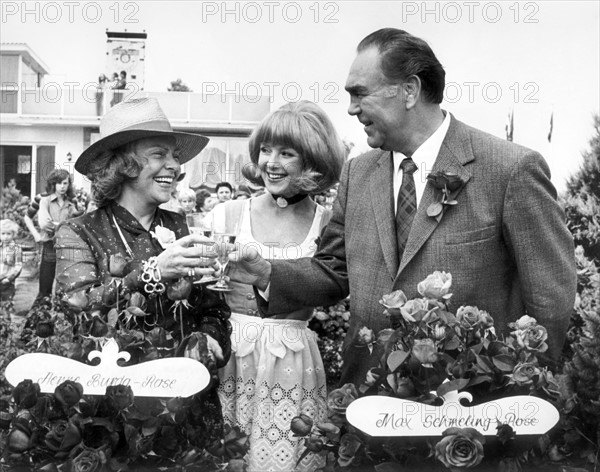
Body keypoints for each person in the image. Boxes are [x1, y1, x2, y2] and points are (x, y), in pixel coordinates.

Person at [229, 28, 577, 386]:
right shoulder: (358, 172)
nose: (350, 108)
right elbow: (334, 270)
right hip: (370, 401)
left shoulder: (509, 169)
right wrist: (267, 274)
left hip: (472, 409)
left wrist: (520, 391)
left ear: (409, 91)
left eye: (360, 93)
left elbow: (549, 299)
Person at [54, 97, 231, 448]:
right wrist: (151, 273)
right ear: (122, 165)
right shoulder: (78, 231)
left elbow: (215, 310)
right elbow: (77, 313)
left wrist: (209, 338)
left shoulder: (186, 228)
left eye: (175, 156)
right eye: (158, 154)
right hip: (114, 412)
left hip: (186, 405)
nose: (175, 167)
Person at [215, 101, 345, 472]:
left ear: (313, 160)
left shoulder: (327, 223)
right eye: (266, 150)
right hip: (233, 356)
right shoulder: (227, 214)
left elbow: (334, 283)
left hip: (291, 359)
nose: (271, 162)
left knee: (285, 459)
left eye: (286, 153)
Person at [33, 168, 82, 305]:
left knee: (65, 289)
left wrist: (60, 225)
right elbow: (44, 224)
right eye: (59, 183)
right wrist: (65, 226)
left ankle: (61, 321)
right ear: (53, 184)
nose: (62, 186)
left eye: (65, 183)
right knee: (45, 290)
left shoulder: (72, 203)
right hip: (50, 247)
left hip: (67, 248)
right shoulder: (45, 201)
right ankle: (41, 322)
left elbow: (77, 226)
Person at [0, 219, 23, 303]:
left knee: (7, 305)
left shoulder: (16, 249)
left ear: (13, 234)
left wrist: (9, 279)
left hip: (7, 283)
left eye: (8, 233)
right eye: (3, 233)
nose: (6, 236)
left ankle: (7, 315)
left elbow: (18, 266)